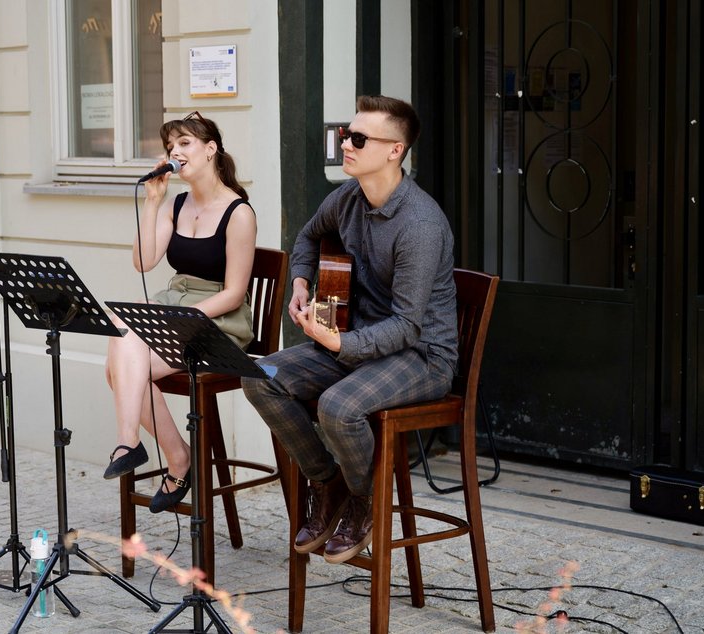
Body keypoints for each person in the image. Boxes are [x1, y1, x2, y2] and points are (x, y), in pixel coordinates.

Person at [241, 95, 458, 563]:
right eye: (346, 133)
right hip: (354, 341)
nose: (347, 143)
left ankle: (364, 500)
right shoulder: (347, 199)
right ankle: (329, 481)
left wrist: (340, 342)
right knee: (260, 377)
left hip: (420, 356)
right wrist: (301, 280)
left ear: (394, 150)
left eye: (359, 138)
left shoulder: (419, 224)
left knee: (338, 407)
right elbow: (306, 236)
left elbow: (406, 326)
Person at [103, 111, 257, 514]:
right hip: (177, 304)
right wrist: (153, 203)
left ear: (210, 150)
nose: (176, 152)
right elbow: (143, 262)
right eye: (171, 146)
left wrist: (183, 319)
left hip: (218, 318)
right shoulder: (178, 202)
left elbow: (235, 292)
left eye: (185, 143)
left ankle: (157, 452)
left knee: (121, 370)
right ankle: (152, 449)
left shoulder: (239, 213)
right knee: (121, 336)